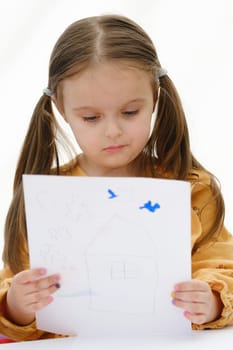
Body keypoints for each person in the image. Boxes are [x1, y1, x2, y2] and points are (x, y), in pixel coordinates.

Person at [0, 14, 233, 342]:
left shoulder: (191, 189)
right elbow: (18, 289)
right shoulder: (49, 200)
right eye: (91, 117)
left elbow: (224, 265)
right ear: (61, 109)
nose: (113, 131)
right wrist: (16, 306)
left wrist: (211, 300)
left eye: (129, 112)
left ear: (154, 95)